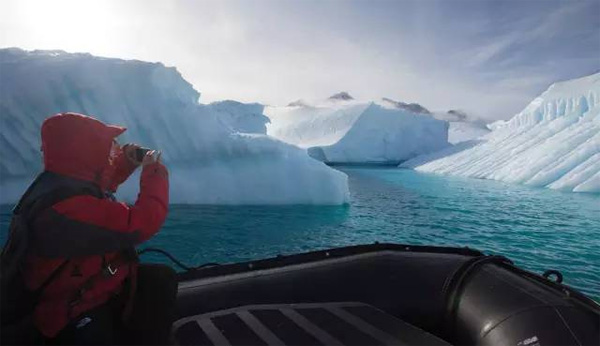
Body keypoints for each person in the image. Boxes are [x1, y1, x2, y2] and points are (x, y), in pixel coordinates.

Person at [0, 112, 176, 345]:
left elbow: (96, 189)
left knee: (160, 278)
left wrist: (125, 163)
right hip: (71, 315)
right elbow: (143, 222)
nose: (113, 151)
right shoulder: (69, 209)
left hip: (76, 293)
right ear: (86, 152)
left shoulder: (55, 186)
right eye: (107, 146)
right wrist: (154, 172)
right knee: (158, 283)